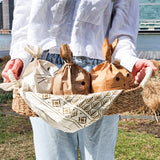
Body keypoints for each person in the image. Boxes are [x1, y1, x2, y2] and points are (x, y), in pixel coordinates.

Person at [1, 0, 157, 160]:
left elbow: (123, 31)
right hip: (46, 76)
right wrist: (20, 58)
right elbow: (24, 21)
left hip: (101, 78)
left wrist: (130, 61)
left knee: (99, 157)